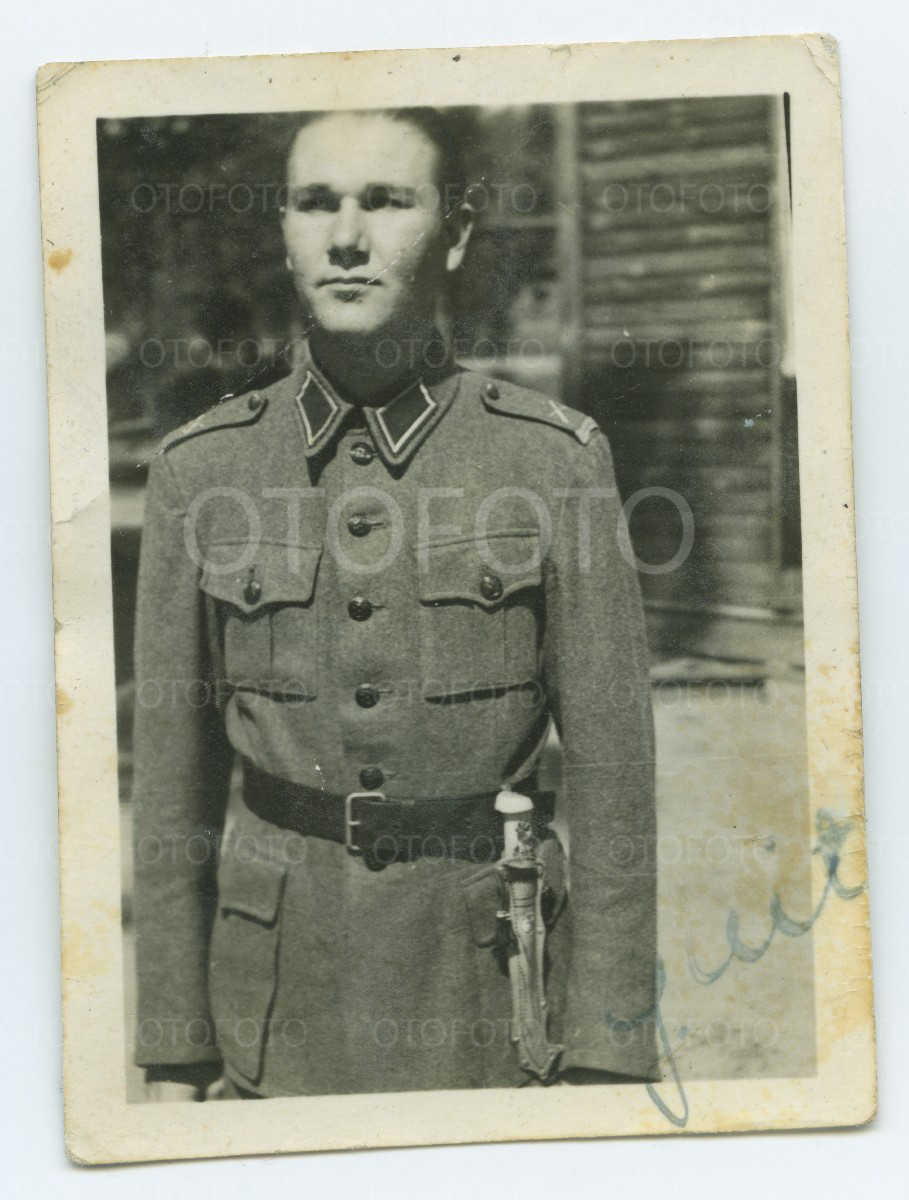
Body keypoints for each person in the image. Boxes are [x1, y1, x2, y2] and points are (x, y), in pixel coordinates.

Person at [132, 107, 657, 1100]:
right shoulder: (201, 471)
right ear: (284, 232)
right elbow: (171, 789)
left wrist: (609, 1051)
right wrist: (174, 1050)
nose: (346, 236)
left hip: (484, 1000)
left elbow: (617, 782)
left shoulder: (551, 462)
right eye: (315, 203)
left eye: (385, 201)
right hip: (274, 1006)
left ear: (453, 232)